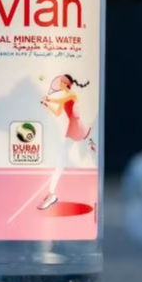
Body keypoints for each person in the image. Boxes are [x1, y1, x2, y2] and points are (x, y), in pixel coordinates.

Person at [37, 74, 96, 211]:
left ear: (65, 84)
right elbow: (57, 111)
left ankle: (51, 195)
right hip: (76, 128)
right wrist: (46, 103)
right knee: (63, 161)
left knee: (61, 162)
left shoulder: (71, 94)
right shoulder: (66, 96)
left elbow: (59, 99)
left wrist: (48, 98)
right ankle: (51, 194)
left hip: (76, 127)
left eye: (60, 82)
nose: (58, 84)